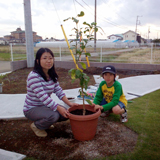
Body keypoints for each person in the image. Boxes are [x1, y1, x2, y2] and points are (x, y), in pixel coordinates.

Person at [23, 48, 78, 137]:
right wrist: (59, 108)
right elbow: (43, 97)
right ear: (38, 61)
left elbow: (58, 90)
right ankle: (37, 126)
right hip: (32, 108)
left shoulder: (51, 75)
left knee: (66, 113)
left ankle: (45, 122)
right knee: (54, 115)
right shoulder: (33, 76)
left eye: (50, 58)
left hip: (45, 106)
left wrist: (69, 103)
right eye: (45, 58)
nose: (48, 61)